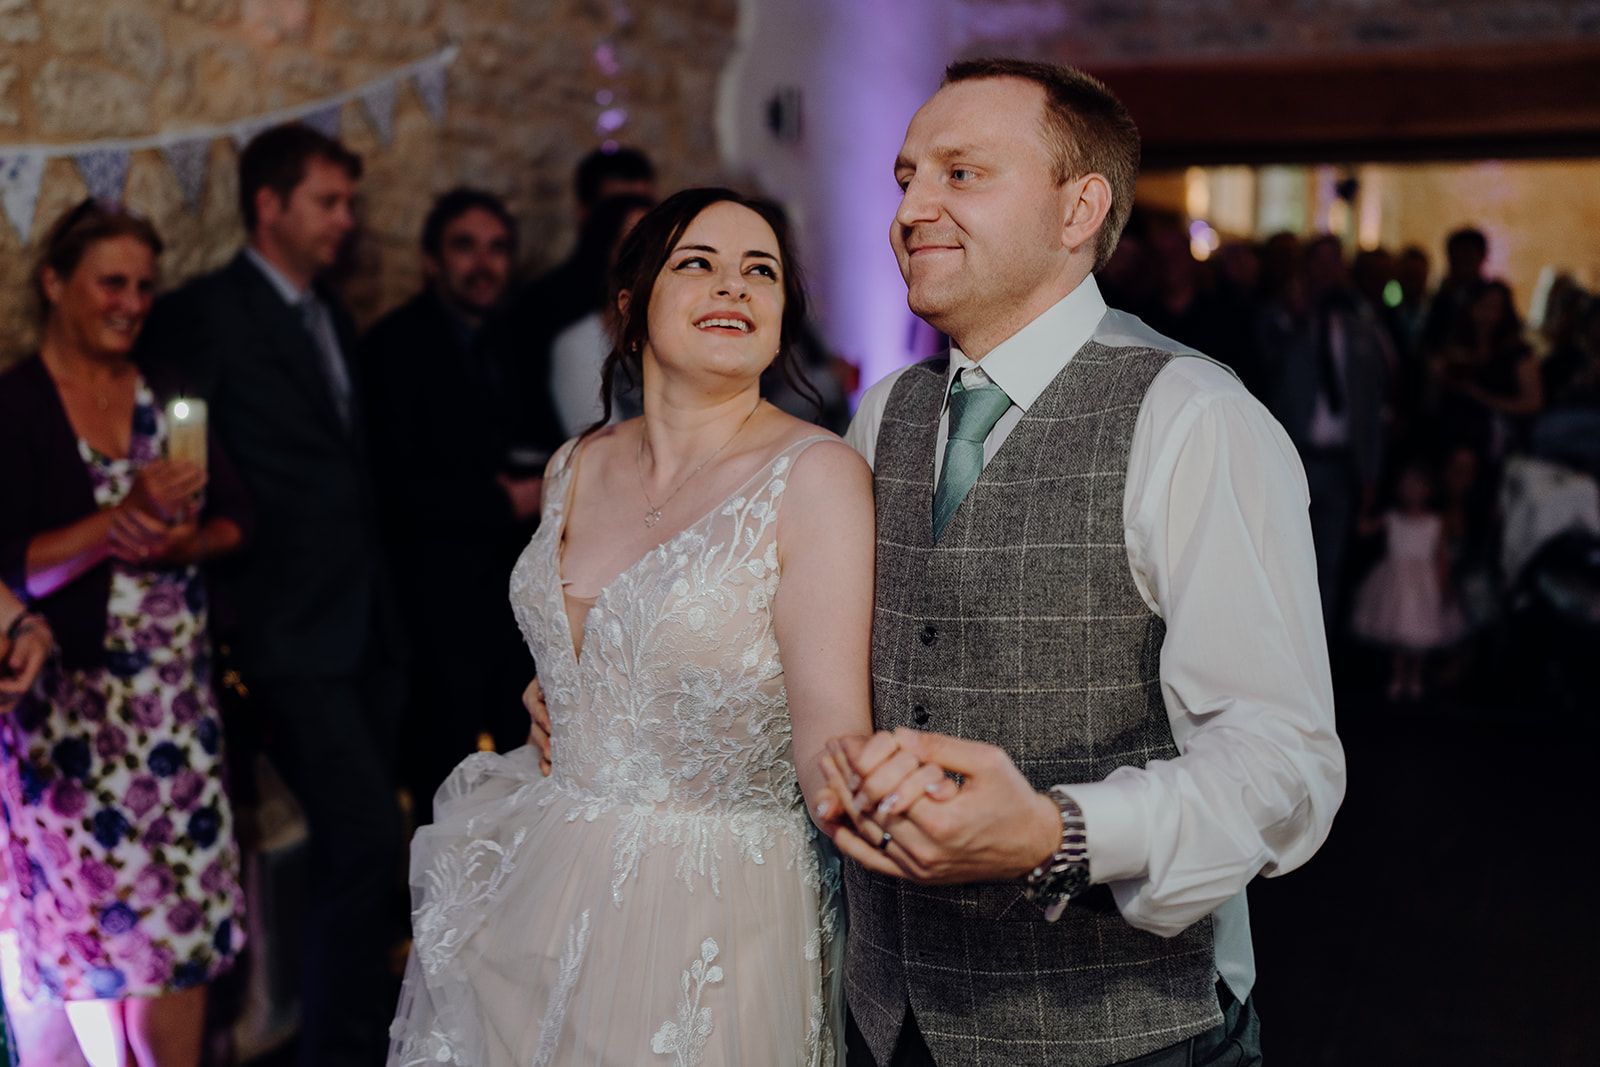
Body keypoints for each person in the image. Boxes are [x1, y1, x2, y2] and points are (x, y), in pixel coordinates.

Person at [821, 59, 1345, 1067]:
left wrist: (1058, 830)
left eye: (960, 173)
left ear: (1079, 208)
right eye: (903, 177)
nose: (909, 209)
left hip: (1122, 1033)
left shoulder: (1192, 418)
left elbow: (1283, 761)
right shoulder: (884, 413)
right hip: (890, 1018)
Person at [387, 187, 873, 1065]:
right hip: (545, 879)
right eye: (699, 264)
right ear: (630, 305)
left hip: (718, 909)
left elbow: (833, 731)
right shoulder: (575, 464)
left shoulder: (818, 475)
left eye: (760, 271)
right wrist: (559, 689)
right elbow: (586, 643)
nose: (735, 286)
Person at [136, 123, 406, 1066]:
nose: (347, 221)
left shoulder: (327, 312)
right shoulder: (206, 313)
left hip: (362, 617)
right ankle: (340, 1049)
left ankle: (351, 1033)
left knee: (366, 841)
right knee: (369, 836)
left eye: (349, 203)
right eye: (329, 202)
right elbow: (182, 455)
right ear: (269, 205)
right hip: (280, 628)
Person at [0, 199, 250, 1067]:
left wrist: (185, 538)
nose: (132, 301)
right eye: (112, 281)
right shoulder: (19, 405)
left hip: (177, 722)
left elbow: (237, 521)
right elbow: (11, 569)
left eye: (145, 285)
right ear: (55, 283)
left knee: (178, 955)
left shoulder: (167, 391)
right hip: (71, 734)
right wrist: (120, 520)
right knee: (92, 966)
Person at [360, 188, 543, 817]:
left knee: (525, 777)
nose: (483, 263)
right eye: (465, 247)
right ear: (433, 260)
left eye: (497, 248)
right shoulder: (393, 346)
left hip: (511, 605)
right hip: (432, 609)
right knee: (443, 784)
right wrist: (508, 501)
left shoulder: (515, 338)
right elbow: (389, 483)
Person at [1259, 234, 1390, 632]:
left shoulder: (1357, 323)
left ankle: (1320, 654)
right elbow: (1265, 371)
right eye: (1319, 262)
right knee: (1282, 559)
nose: (1327, 270)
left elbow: (1369, 402)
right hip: (1293, 454)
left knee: (1329, 563)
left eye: (1335, 262)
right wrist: (1297, 317)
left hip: (1339, 460)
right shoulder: (1283, 316)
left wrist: (1370, 471)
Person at [1350, 463, 1457, 701]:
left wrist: (1444, 585)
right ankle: (1398, 677)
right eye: (1407, 486)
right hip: (1395, 582)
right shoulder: (1392, 518)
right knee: (1398, 633)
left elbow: (1441, 557)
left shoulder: (1435, 523)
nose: (1412, 491)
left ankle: (1415, 677)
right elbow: (1363, 530)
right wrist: (1365, 503)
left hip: (1422, 586)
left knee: (1419, 631)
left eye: (1418, 486)